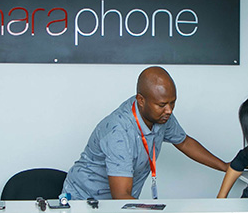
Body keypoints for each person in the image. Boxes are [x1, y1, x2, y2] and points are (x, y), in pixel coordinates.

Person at [62, 66, 228, 200]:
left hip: (120, 202)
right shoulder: (118, 132)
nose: (169, 110)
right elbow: (121, 196)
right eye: (162, 104)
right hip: (84, 200)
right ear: (141, 100)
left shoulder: (161, 115)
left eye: (173, 102)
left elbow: (184, 142)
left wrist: (225, 167)